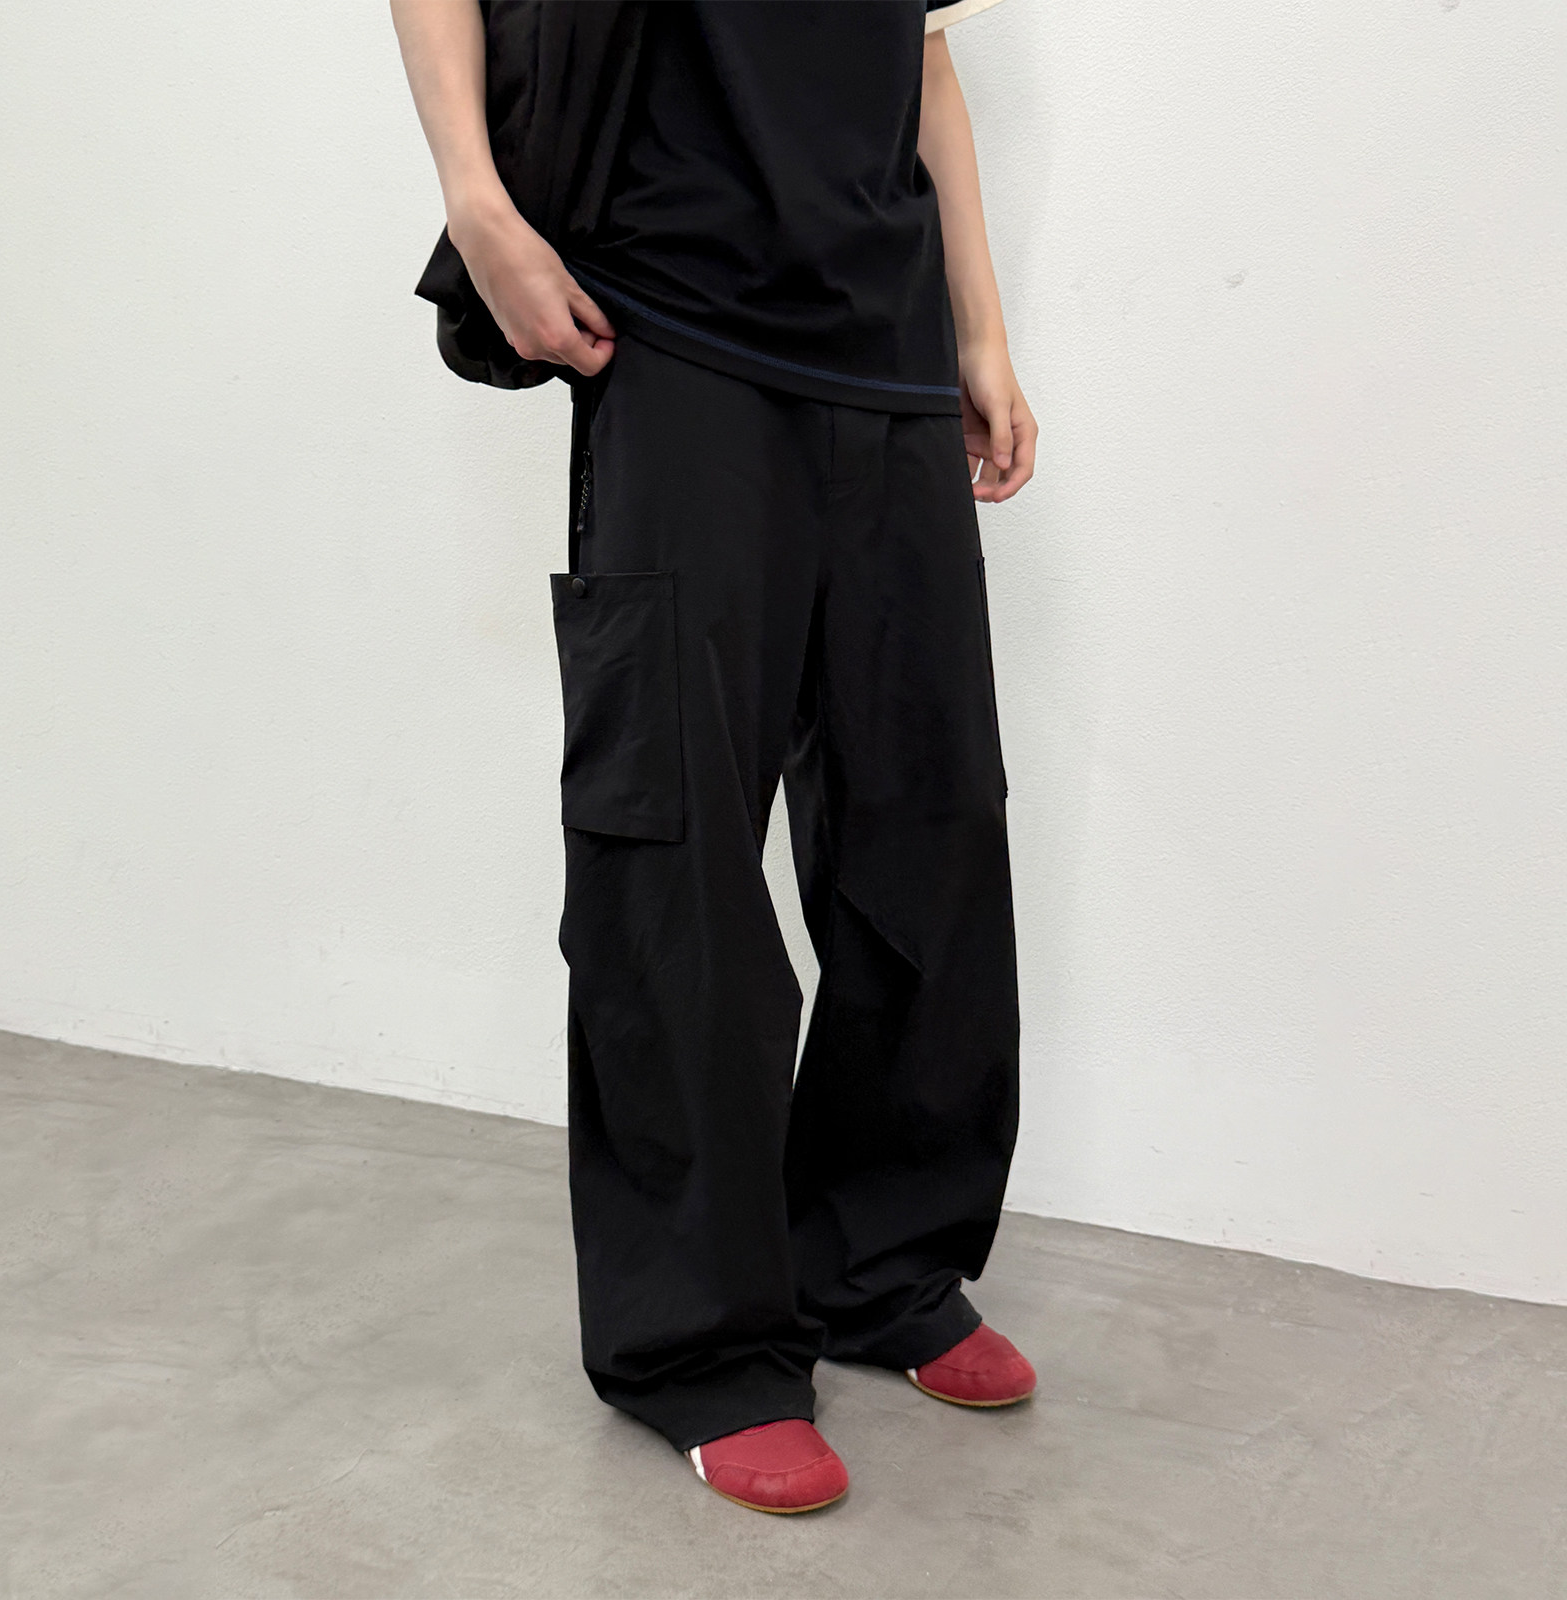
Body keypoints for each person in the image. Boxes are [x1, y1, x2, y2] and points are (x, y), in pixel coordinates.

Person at [391, 0, 1038, 1515]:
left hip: (886, 344)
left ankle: (878, 1263)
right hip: (674, 323)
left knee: (930, 820)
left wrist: (981, 332)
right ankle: (701, 1344)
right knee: (671, 835)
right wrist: (478, 204)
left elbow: (923, 56)